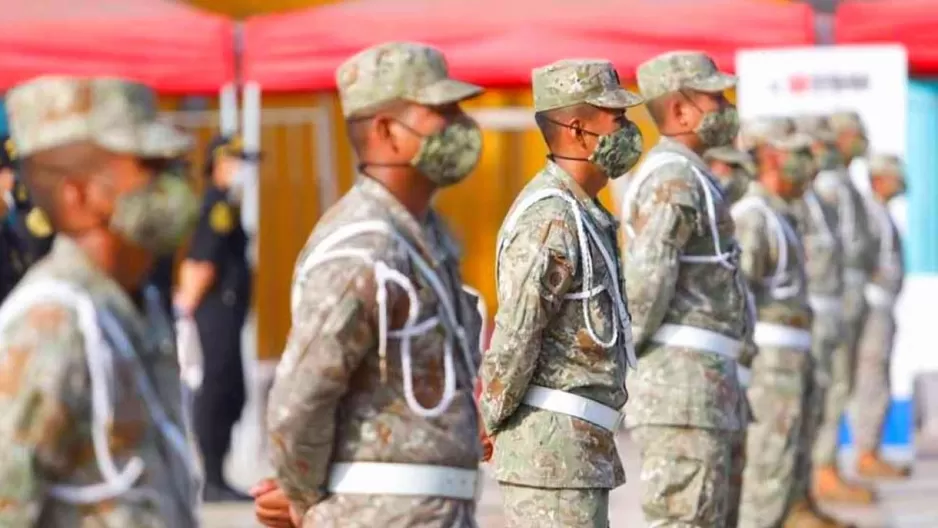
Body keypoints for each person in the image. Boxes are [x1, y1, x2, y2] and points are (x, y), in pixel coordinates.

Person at [252, 41, 486, 528]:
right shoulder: (364, 249)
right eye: (441, 111)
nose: (461, 125)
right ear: (386, 132)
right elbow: (299, 401)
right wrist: (303, 499)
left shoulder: (429, 236)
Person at [0, 75, 202, 526]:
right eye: (150, 167)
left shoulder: (133, 304)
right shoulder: (51, 325)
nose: (173, 185)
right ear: (79, 194)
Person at [479, 59, 641, 528]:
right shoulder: (551, 218)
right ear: (577, 129)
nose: (628, 131)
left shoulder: (582, 210)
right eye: (617, 118)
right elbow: (516, 336)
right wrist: (488, 419)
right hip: (551, 458)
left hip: (577, 452)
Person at [620, 50, 752, 527]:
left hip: (701, 387)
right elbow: (645, 284)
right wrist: (619, 364)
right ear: (679, 110)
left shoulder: (691, 173)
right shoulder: (673, 180)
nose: (724, 105)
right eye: (713, 97)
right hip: (680, 390)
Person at [734, 118, 820, 527]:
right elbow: (739, 296)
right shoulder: (752, 215)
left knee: (785, 464)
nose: (806, 165)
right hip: (769, 361)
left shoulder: (779, 212)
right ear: (768, 155)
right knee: (766, 469)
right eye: (795, 154)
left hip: (789, 356)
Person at [796, 114, 876, 505]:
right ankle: (818, 471)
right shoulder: (821, 189)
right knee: (822, 389)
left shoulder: (832, 188)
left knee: (835, 386)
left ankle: (824, 468)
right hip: (818, 305)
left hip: (836, 300)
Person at [173, 133, 255, 502]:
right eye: (237, 162)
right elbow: (202, 260)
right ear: (221, 163)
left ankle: (218, 475)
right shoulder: (218, 207)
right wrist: (186, 306)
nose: (244, 170)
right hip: (215, 311)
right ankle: (212, 478)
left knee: (231, 389)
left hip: (227, 310)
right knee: (218, 387)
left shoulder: (227, 204)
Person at [703, 144, 757, 528]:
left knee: (732, 480)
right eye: (727, 167)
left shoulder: (729, 223)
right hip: (701, 373)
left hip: (733, 367)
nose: (734, 177)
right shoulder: (700, 219)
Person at [850, 153, 909, 478]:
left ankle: (872, 449)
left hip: (883, 306)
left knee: (878, 375)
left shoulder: (880, 213)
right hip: (872, 307)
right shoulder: (868, 213)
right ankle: (865, 451)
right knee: (870, 377)